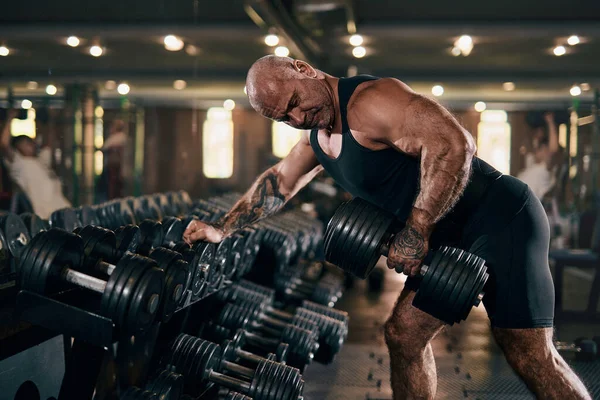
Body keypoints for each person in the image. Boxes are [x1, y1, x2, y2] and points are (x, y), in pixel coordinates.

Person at [184, 55, 591, 399]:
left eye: (294, 102)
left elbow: (454, 143)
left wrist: (415, 229)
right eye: (284, 117)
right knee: (403, 336)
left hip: (502, 217)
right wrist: (224, 228)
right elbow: (281, 181)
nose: (296, 117)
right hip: (450, 236)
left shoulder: (371, 102)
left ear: (303, 69)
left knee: (527, 352)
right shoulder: (315, 135)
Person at [0, 109, 71, 219]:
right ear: (17, 147)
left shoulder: (40, 160)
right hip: (45, 216)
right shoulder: (19, 163)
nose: (30, 145)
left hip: (63, 210)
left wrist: (50, 120)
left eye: (30, 143)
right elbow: (4, 144)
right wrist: (10, 118)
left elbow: (49, 143)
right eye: (25, 143)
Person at [517, 112, 561, 199]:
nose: (538, 152)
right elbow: (535, 142)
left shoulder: (544, 169)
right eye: (540, 149)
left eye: (545, 151)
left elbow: (553, 149)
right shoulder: (531, 161)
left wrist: (550, 122)